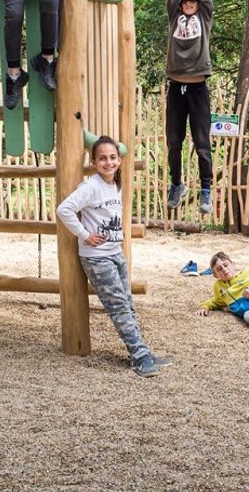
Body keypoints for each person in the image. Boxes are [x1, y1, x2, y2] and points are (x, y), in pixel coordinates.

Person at [56, 136, 168, 378]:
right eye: (103, 158)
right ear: (94, 162)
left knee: (127, 304)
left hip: (115, 253)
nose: (109, 162)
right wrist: (85, 235)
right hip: (97, 257)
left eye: (113, 157)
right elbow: (64, 209)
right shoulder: (90, 187)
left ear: (119, 160)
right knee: (118, 306)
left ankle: (142, 351)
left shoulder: (114, 184)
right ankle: (139, 357)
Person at [164, 0, 214, 214]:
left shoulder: (204, 18)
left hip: (197, 88)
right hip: (176, 87)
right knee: (174, 141)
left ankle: (206, 189)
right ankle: (176, 184)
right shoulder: (174, 17)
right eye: (186, 1)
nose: (189, 3)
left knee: (202, 142)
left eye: (193, 1)